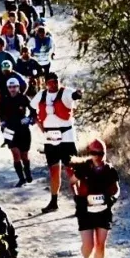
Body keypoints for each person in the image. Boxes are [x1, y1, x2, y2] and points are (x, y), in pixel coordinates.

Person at [32, 72, 83, 213]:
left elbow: (74, 96)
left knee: (71, 170)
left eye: (56, 81)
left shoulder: (66, 92)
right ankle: (54, 202)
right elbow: (31, 108)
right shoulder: (42, 95)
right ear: (46, 83)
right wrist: (38, 122)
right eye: (50, 82)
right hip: (50, 137)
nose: (54, 84)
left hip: (66, 137)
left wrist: (78, 94)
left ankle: (79, 203)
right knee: (54, 171)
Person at [72, 138, 119, 258]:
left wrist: (113, 199)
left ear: (105, 153)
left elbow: (116, 189)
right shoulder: (83, 167)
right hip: (85, 211)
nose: (98, 156)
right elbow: (73, 182)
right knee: (88, 245)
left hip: (103, 211)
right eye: (94, 153)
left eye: (101, 153)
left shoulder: (110, 170)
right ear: (89, 153)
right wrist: (77, 198)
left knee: (100, 244)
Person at [0, 75, 35, 186]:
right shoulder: (4, 99)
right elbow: (0, 113)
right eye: (10, 87)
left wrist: (29, 119)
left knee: (24, 155)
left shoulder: (23, 98)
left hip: (23, 129)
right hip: (9, 130)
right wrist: (3, 123)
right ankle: (21, 178)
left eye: (14, 87)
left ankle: (27, 172)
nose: (12, 89)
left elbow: (33, 110)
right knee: (15, 154)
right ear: (7, 88)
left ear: (18, 87)